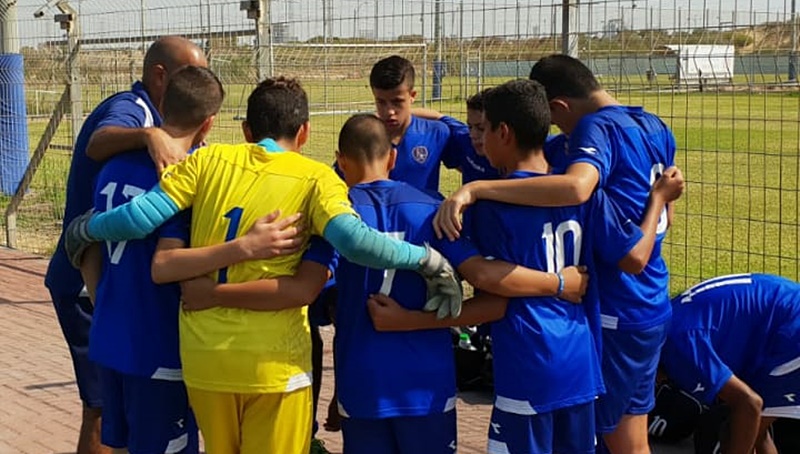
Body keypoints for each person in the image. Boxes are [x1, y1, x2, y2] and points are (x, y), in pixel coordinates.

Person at [62, 76, 467, 454]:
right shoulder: (316, 178)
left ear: (246, 130)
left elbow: (140, 218)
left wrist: (87, 228)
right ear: (305, 133)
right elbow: (355, 241)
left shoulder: (207, 160)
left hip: (205, 362)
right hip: (273, 367)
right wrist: (426, 259)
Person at [177, 113, 591, 454]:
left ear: (340, 162)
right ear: (393, 158)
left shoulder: (332, 219)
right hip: (427, 388)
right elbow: (493, 303)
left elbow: (314, 298)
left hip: (363, 387)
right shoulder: (435, 211)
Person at [369, 79, 684, 454]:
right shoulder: (590, 196)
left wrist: (409, 319)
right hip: (581, 363)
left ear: (503, 132)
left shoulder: (487, 211)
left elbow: (490, 292)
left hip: (528, 366)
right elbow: (634, 253)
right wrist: (659, 201)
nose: (478, 140)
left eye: (485, 130)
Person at [43, 35, 207, 454]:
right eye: (190, 74)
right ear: (160, 76)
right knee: (100, 411)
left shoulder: (128, 162)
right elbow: (99, 140)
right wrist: (151, 134)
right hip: (98, 291)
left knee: (111, 418)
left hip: (109, 293)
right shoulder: (133, 109)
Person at [85, 65, 226, 454]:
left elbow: (89, 247)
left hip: (110, 338)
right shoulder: (186, 179)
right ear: (209, 123)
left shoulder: (113, 166)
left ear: (163, 107)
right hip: (158, 346)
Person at [660, 273, 800, 454]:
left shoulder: (679, 346)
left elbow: (749, 403)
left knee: (743, 423)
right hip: (780, 317)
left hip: (790, 333)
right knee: (753, 430)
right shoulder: (670, 325)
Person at [367, 55, 463, 192]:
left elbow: (471, 169)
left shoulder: (436, 133)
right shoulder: (363, 137)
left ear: (412, 96)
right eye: (381, 102)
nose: (389, 111)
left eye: (397, 102)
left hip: (425, 207)